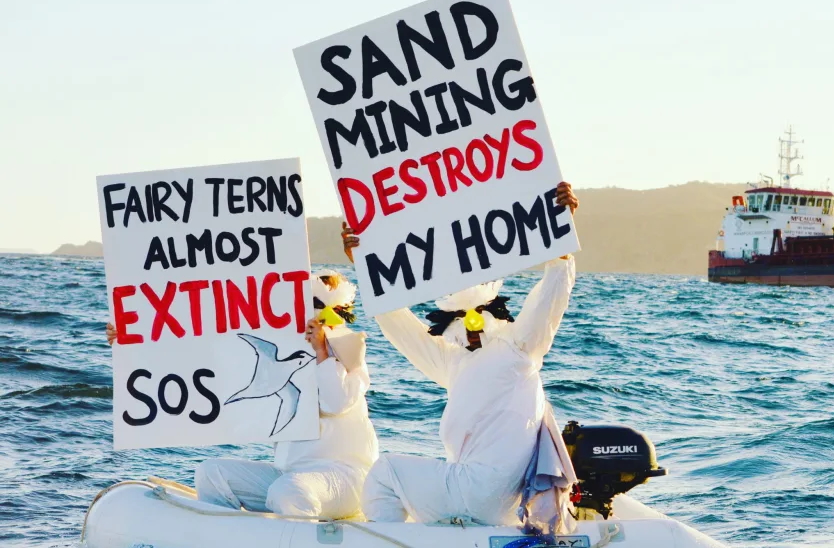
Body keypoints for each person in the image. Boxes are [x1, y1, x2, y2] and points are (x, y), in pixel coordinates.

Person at [343, 182, 580, 527]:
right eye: (460, 320)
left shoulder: (518, 345)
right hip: (504, 498)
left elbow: (549, 301)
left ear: (494, 314)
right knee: (405, 473)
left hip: (482, 490)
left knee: (385, 472)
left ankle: (390, 545)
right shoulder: (452, 360)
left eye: (476, 318)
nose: (470, 327)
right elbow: (402, 328)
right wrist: (366, 265)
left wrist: (560, 238)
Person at [105, 270, 378, 519]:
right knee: (212, 474)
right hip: (290, 474)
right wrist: (134, 339)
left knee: (288, 491)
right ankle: (227, 544)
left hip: (344, 477)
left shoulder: (350, 355)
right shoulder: (281, 348)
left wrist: (321, 352)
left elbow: (335, 402)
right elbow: (205, 353)